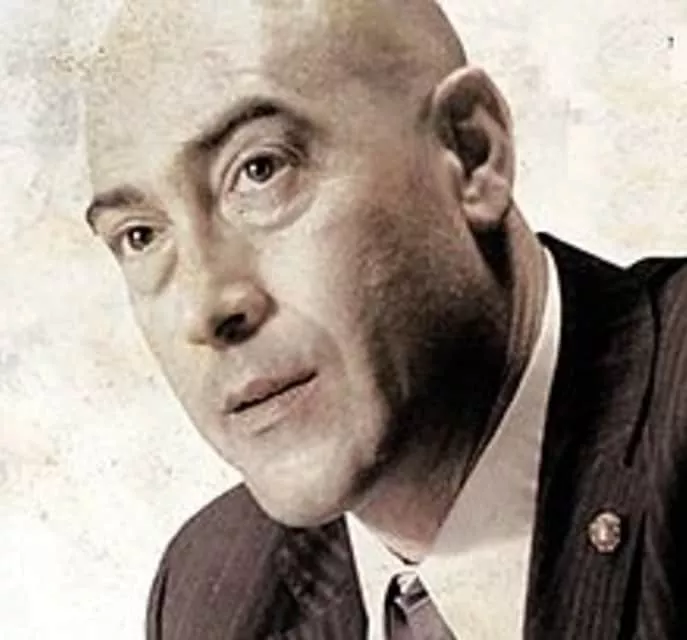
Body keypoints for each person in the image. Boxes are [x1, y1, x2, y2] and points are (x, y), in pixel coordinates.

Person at [83, 0, 687, 638]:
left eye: (261, 170)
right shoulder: (212, 593)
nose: (204, 308)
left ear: (470, 153)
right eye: (140, 235)